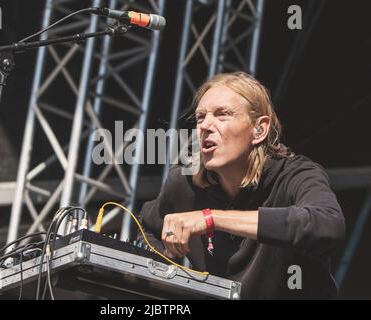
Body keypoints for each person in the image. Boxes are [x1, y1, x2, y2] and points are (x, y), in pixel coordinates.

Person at [139, 72, 345, 299]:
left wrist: (211, 218)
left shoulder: (295, 175)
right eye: (200, 117)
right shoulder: (183, 183)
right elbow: (147, 229)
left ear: (259, 129)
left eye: (222, 115)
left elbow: (327, 225)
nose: (206, 125)